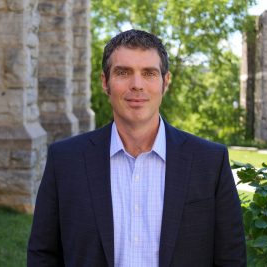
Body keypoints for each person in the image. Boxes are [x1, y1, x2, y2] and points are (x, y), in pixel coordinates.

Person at [27, 29, 246, 267]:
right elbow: (43, 254)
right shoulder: (65, 161)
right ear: (105, 82)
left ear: (165, 82)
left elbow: (230, 258)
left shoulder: (210, 162)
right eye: (123, 72)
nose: (137, 85)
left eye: (149, 73)